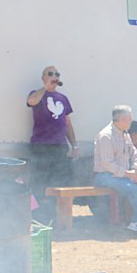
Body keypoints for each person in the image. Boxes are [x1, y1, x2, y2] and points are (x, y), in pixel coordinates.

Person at [93, 105, 137, 236]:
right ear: (121, 119)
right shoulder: (106, 136)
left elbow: (134, 154)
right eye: (129, 118)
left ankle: (136, 222)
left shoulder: (125, 134)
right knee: (133, 188)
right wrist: (129, 175)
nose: (131, 121)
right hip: (104, 176)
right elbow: (107, 164)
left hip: (122, 176)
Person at [27, 66, 80, 224]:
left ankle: (55, 218)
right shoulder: (36, 94)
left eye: (57, 74)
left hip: (59, 147)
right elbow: (31, 101)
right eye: (50, 74)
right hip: (41, 146)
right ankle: (39, 218)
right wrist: (46, 88)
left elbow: (67, 123)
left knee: (58, 181)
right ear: (43, 77)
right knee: (39, 182)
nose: (54, 76)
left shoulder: (63, 98)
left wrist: (74, 145)